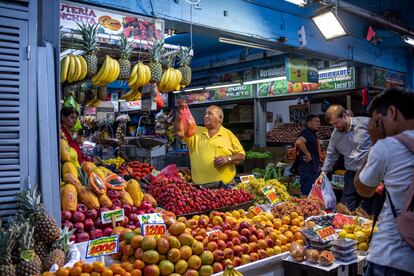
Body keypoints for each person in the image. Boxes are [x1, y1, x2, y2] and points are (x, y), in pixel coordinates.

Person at [354, 89, 414, 275]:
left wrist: (375, 141)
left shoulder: (388, 146)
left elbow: (363, 189)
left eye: (376, 119)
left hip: (392, 258)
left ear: (393, 112)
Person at [174, 102, 245, 185]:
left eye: (210, 113)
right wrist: (179, 115)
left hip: (225, 186)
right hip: (200, 188)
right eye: (205, 114)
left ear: (220, 118)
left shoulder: (228, 134)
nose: (206, 116)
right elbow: (178, 132)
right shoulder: (196, 131)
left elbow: (241, 155)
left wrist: (228, 159)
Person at [320, 105, 371, 211]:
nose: (335, 126)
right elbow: (331, 154)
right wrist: (323, 172)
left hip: (370, 173)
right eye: (332, 124)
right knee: (346, 208)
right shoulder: (335, 134)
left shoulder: (366, 123)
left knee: (370, 208)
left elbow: (383, 143)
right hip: (351, 175)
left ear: (344, 115)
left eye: (336, 123)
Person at [294, 114, 321, 195]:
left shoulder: (312, 134)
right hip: (307, 170)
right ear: (309, 123)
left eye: (319, 122)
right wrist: (307, 154)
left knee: (311, 193)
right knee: (307, 193)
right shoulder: (306, 132)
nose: (319, 124)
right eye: (316, 121)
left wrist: (317, 164)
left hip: (312, 169)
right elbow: (299, 141)